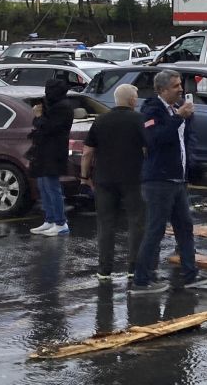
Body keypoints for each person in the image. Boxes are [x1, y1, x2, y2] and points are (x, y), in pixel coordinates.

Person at [131, 69, 207, 295]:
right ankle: (141, 280)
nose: (181, 89)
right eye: (175, 86)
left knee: (185, 227)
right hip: (158, 180)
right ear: (161, 90)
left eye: (181, 85)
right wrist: (179, 116)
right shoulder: (152, 109)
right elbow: (156, 139)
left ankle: (190, 274)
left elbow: (184, 140)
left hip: (178, 179)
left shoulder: (173, 109)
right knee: (155, 230)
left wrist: (191, 164)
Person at [81, 83, 147, 282]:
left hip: (104, 180)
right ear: (132, 100)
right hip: (133, 179)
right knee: (136, 223)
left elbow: (87, 152)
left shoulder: (101, 120)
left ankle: (104, 270)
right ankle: (133, 268)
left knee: (106, 224)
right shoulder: (139, 120)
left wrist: (85, 177)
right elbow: (147, 149)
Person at [28, 78, 74, 236]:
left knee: (52, 186)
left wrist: (39, 115)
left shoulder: (63, 107)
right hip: (44, 150)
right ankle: (50, 219)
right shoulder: (54, 105)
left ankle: (60, 222)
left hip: (54, 151)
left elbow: (48, 128)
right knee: (43, 184)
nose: (47, 93)